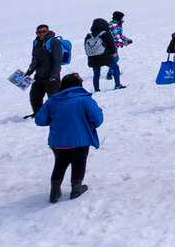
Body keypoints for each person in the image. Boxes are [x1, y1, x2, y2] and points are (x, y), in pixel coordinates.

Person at [35, 72, 102, 203]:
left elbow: (40, 120)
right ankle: (76, 189)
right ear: (79, 85)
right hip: (80, 140)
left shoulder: (52, 101)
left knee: (60, 163)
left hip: (58, 141)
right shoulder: (85, 99)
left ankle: (54, 192)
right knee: (79, 163)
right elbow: (97, 119)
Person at [26, 25, 64, 118]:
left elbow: (57, 60)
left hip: (51, 76)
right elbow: (35, 58)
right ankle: (38, 114)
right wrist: (29, 71)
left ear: (47, 31)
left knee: (54, 97)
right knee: (35, 96)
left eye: (44, 32)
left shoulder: (54, 42)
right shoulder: (36, 42)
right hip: (39, 75)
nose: (41, 34)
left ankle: (57, 115)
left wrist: (54, 75)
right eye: (39, 32)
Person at [83, 18, 122, 92]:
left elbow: (86, 47)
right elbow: (111, 45)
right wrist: (113, 53)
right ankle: (117, 85)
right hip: (105, 57)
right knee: (115, 68)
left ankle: (97, 90)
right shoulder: (106, 34)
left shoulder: (88, 35)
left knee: (96, 74)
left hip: (93, 58)